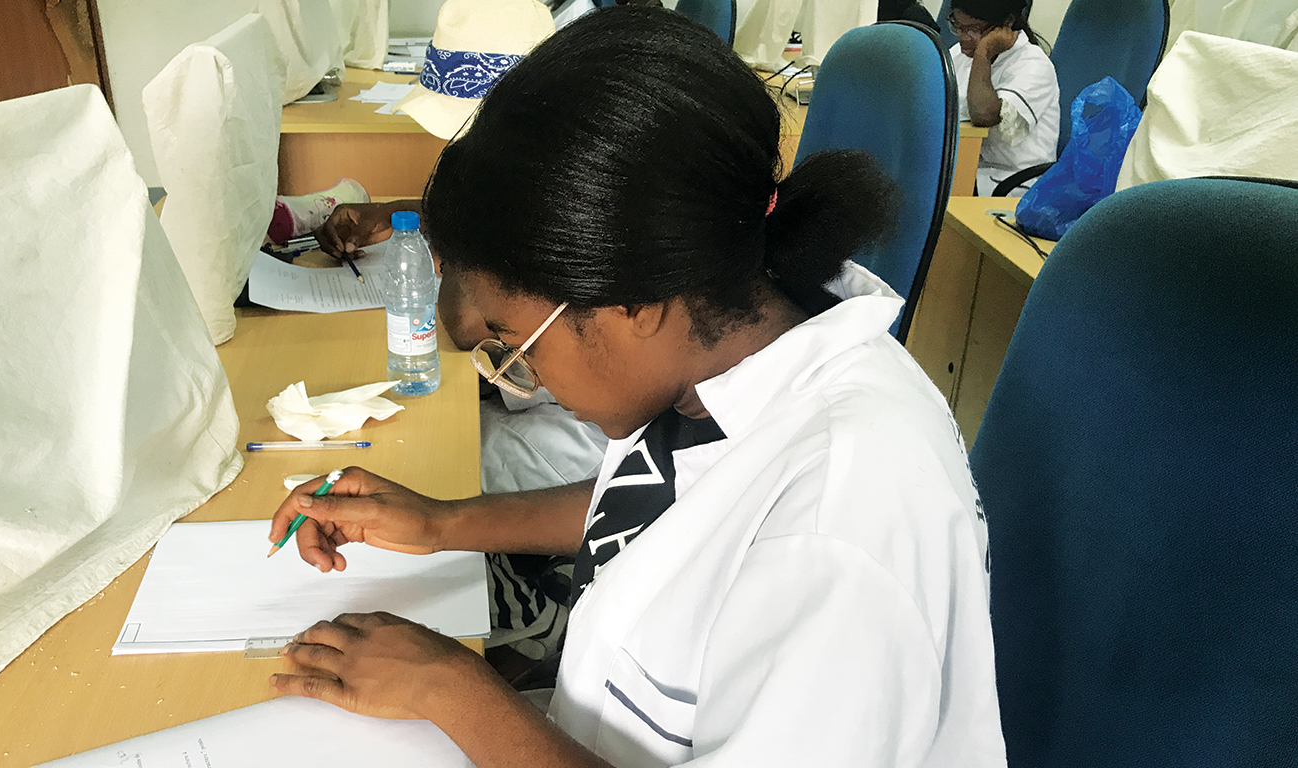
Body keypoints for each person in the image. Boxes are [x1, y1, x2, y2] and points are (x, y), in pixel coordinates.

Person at [266, 7, 1006, 766]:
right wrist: (441, 522)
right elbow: (666, 503)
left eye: (514, 346)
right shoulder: (723, 343)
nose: (520, 377)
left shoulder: (839, 535)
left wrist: (451, 687)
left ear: (632, 304)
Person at [313, 0, 607, 676]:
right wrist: (403, 214)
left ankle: (520, 609)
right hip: (538, 399)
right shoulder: (545, 171)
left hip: (582, 432)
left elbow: (464, 321)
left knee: (426, 467)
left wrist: (442, 229)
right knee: (408, 456)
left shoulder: (555, 207)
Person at [947, 0, 1059, 195]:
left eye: (973, 29)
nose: (962, 37)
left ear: (1006, 23)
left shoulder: (1033, 64)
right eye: (957, 25)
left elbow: (983, 115)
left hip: (1012, 181)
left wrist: (983, 53)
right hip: (967, 168)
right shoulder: (958, 54)